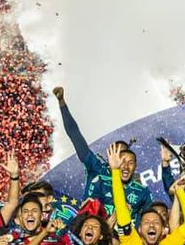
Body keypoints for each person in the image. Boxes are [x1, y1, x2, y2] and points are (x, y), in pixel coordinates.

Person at [53, 86, 152, 216]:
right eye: (116, 154)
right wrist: (62, 102)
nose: (120, 161)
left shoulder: (135, 184)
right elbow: (74, 134)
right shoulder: (97, 167)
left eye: (124, 156)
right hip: (91, 221)